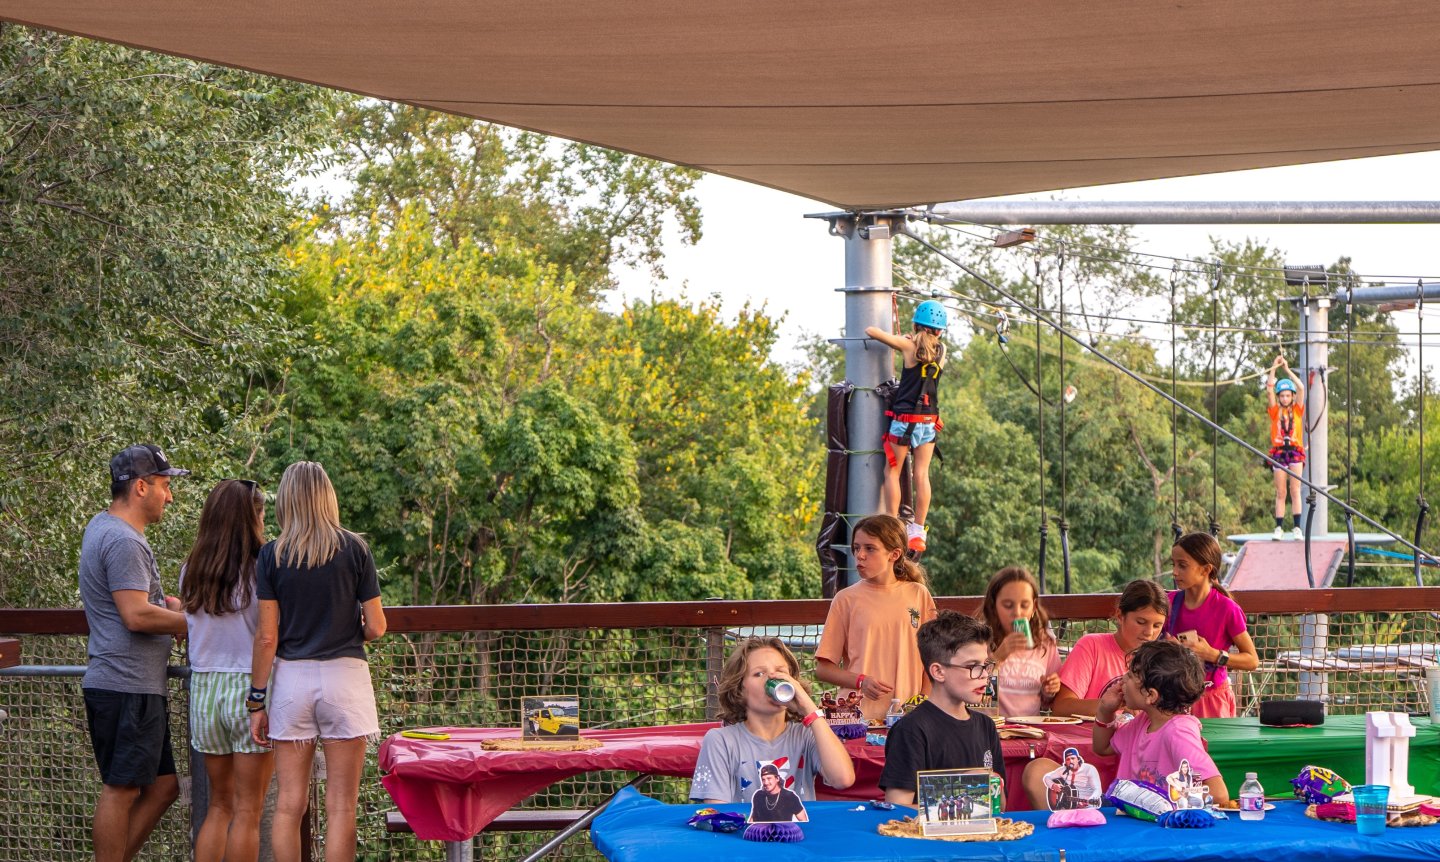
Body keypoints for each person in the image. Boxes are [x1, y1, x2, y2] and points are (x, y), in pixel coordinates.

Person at [248, 462, 387, 862]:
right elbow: (377, 626)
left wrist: (257, 701)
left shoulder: (271, 556)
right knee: (342, 805)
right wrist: (351, 628)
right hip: (345, 678)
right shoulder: (356, 549)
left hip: (292, 680)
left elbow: (267, 636)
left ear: (287, 500)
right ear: (328, 496)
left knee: (289, 803)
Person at [79, 444, 190, 862]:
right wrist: (196, 623)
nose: (170, 495)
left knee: (164, 786)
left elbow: (142, 604)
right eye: (164, 485)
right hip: (125, 686)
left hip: (136, 686)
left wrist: (171, 608)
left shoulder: (102, 527)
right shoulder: (124, 541)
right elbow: (135, 615)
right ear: (140, 487)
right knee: (121, 787)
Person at [180, 479, 274, 862]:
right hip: (248, 690)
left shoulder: (192, 569)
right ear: (252, 517)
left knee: (220, 805)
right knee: (249, 810)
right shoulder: (261, 568)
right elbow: (268, 633)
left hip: (204, 688)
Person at [689, 637, 854, 805]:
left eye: (780, 672)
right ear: (739, 689)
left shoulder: (806, 735)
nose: (772, 680)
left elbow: (843, 779)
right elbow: (718, 811)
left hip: (798, 831)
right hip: (744, 831)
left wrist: (810, 710)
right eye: (759, 673)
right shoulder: (721, 740)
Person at [815, 514, 938, 722]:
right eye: (856, 548)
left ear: (894, 554)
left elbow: (934, 658)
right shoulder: (845, 599)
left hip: (909, 721)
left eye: (869, 548)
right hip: (857, 721)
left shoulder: (919, 594)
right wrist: (861, 681)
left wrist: (923, 702)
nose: (860, 555)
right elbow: (823, 669)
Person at [879, 611, 1006, 807]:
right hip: (928, 838)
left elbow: (999, 807)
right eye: (973, 666)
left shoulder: (986, 726)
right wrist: (966, 787)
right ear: (938, 671)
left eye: (985, 665)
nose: (984, 675)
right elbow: (896, 808)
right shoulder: (911, 730)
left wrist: (989, 787)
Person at [1092, 640, 1230, 805]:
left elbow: (1218, 795)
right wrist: (1105, 710)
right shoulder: (1144, 721)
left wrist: (1166, 802)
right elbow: (1103, 747)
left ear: (1151, 695)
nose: (1123, 679)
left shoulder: (1178, 732)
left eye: (1130, 675)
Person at [865, 299, 949, 553]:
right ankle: (918, 530)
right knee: (921, 475)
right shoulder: (942, 352)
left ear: (916, 325)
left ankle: (893, 525)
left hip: (903, 423)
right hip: (928, 423)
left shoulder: (908, 347)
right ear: (940, 331)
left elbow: (872, 331)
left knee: (892, 473)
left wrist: (901, 337)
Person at [1166, 532, 1258, 718]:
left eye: (1182, 566)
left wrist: (1212, 654)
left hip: (1211, 699)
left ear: (1206, 569)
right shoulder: (1168, 602)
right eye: (1173, 564)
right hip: (1172, 697)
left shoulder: (1226, 608)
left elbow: (1252, 660)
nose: (1175, 572)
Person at [1049, 579, 1168, 719]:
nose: (1149, 632)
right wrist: (1113, 704)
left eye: (1157, 626)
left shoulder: (1160, 661)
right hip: (1087, 738)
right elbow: (1061, 707)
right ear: (1120, 615)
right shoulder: (1092, 646)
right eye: (1141, 622)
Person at [980, 566, 1061, 717]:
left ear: (1034, 607)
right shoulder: (980, 641)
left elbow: (1048, 702)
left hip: (1029, 731)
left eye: (1024, 605)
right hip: (991, 730)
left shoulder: (1045, 645)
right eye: (1008, 605)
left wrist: (1049, 690)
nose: (1017, 612)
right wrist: (997, 658)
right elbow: (975, 697)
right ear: (993, 606)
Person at [1266, 354, 1307, 540]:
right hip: (1280, 453)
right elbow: (1269, 390)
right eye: (1281, 395)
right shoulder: (1275, 412)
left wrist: (1287, 370)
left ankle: (1297, 528)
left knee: (1295, 490)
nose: (1284, 398)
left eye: (1287, 395)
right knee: (1281, 492)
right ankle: (1279, 527)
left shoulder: (1297, 410)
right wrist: (1274, 368)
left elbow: (1301, 387)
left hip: (1295, 453)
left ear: (1291, 397)